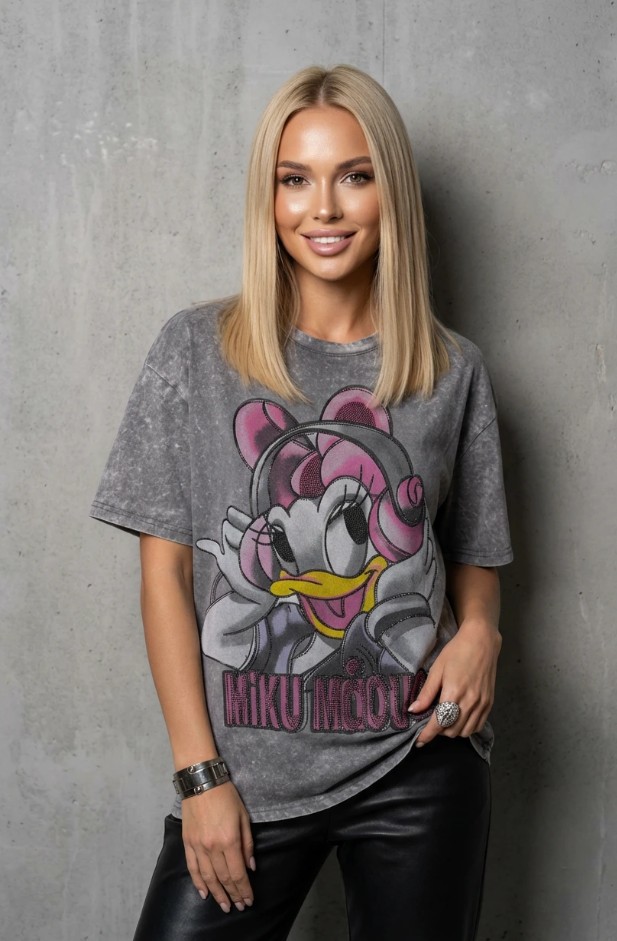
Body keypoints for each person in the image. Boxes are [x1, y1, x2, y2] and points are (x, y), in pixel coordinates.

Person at [91, 64, 513, 941]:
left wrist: (480, 632)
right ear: (269, 196)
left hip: (417, 768)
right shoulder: (195, 351)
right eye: (295, 179)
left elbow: (473, 552)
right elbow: (165, 579)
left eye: (354, 176)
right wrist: (201, 777)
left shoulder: (450, 370)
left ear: (390, 193)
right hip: (245, 782)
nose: (323, 208)